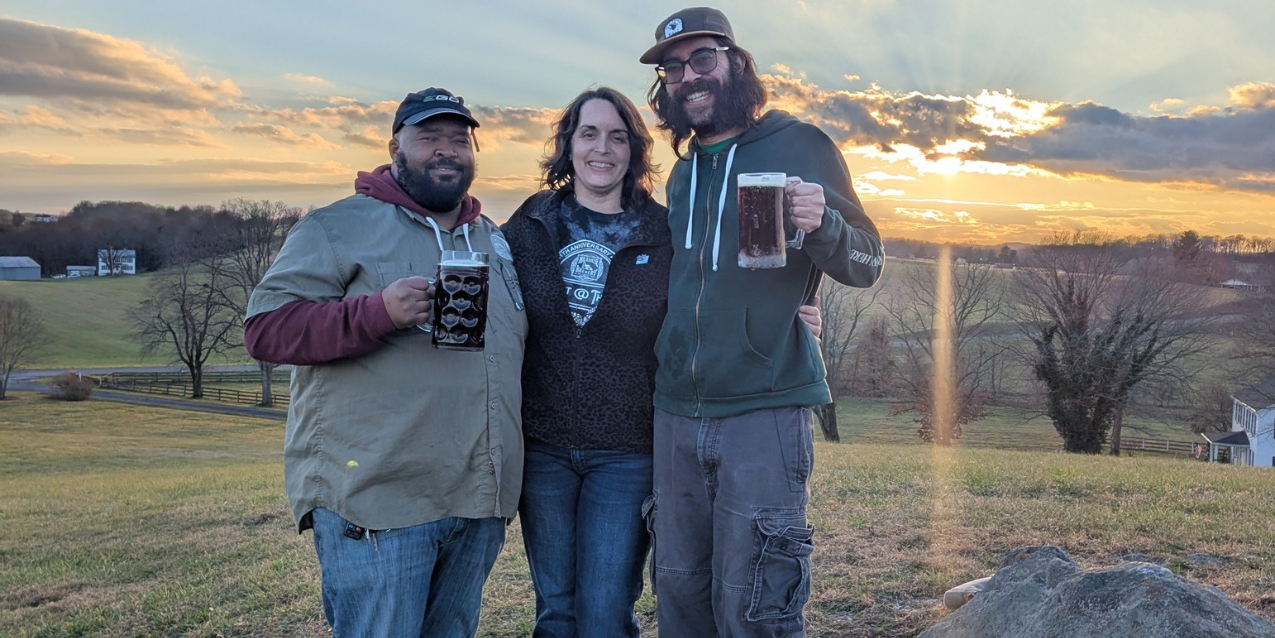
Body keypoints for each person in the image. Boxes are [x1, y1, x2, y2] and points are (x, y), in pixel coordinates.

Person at [243, 87, 527, 638]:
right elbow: (265, 330)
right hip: (379, 506)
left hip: (475, 503)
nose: (446, 150)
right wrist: (375, 314)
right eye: (429, 138)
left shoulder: (493, 240)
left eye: (458, 139)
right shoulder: (337, 227)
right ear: (395, 144)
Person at [638, 7, 886, 638]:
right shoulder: (683, 172)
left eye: (702, 59)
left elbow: (867, 261)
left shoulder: (800, 143)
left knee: (755, 604)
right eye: (672, 68)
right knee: (680, 593)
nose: (687, 76)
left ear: (734, 62)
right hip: (675, 411)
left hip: (765, 409)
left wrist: (822, 224)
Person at [501, 87, 669, 638]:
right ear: (568, 145)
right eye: (589, 133)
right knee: (556, 612)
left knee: (603, 615)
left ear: (634, 151)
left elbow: (708, 303)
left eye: (618, 136)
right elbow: (478, 284)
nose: (603, 148)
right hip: (542, 448)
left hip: (625, 453)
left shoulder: (663, 233)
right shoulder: (531, 222)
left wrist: (794, 313)